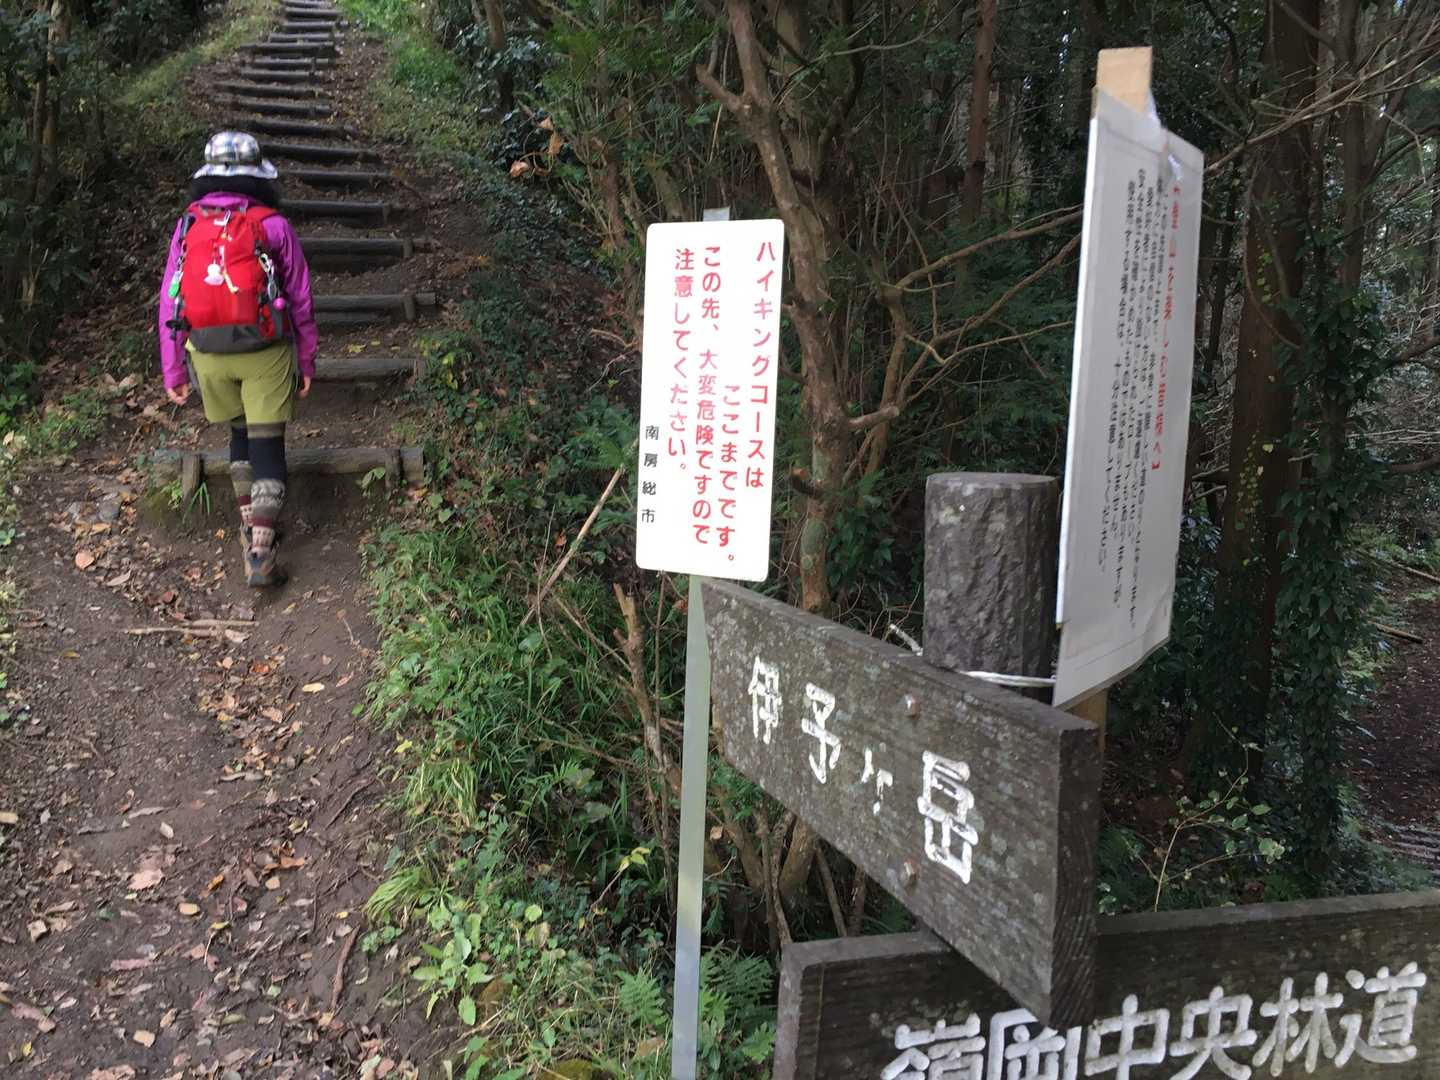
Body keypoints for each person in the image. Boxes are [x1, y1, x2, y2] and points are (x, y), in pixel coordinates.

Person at [158, 131, 317, 587]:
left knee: (239, 435)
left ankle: (249, 525)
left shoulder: (188, 225)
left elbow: (170, 299)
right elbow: (300, 297)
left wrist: (173, 366)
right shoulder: (274, 225)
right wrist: (307, 359)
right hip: (264, 352)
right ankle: (261, 549)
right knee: (268, 444)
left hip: (208, 353)